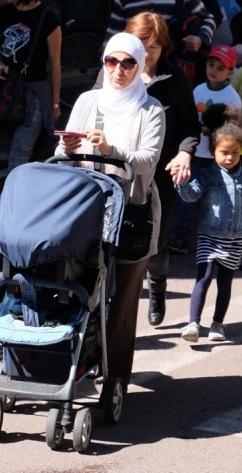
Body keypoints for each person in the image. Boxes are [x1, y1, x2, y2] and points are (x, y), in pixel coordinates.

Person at [56, 34, 165, 407]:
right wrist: (68, 147)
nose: (118, 70)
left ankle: (116, 378)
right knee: (76, 286)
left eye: (128, 63)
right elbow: (62, 152)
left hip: (131, 211)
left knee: (124, 300)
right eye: (111, 62)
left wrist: (109, 150)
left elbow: (148, 160)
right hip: (86, 209)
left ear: (140, 67)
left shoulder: (150, 110)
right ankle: (73, 363)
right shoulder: (88, 100)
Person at [122, 13, 198, 328]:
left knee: (155, 241)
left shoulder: (175, 79)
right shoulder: (117, 72)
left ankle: (157, 287)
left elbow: (191, 126)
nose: (147, 53)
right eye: (141, 45)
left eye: (153, 47)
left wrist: (184, 154)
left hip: (161, 175)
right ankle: (118, 303)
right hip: (122, 170)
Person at [176, 118, 242, 343]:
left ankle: (218, 324)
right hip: (209, 236)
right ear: (213, 152)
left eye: (235, 152)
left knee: (225, 284)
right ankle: (193, 322)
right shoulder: (207, 175)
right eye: (224, 152)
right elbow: (190, 195)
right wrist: (181, 181)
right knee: (203, 277)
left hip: (235, 240)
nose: (230, 157)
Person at [0, 0, 61, 170]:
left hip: (34, 93)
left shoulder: (47, 18)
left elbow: (55, 63)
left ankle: (14, 198)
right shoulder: (0, 14)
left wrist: (55, 104)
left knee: (19, 154)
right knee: (11, 147)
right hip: (5, 91)